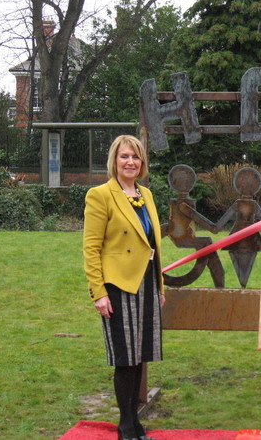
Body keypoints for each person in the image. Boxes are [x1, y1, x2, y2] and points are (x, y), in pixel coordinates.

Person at [84, 135, 165, 440]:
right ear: (114, 161)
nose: (130, 162)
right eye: (124, 157)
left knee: (140, 355)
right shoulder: (101, 195)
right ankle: (126, 426)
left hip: (145, 283)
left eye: (136, 157)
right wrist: (99, 292)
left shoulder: (145, 194)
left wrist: (159, 288)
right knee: (125, 357)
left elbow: (152, 245)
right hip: (118, 286)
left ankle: (136, 423)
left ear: (142, 162)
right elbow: (91, 248)